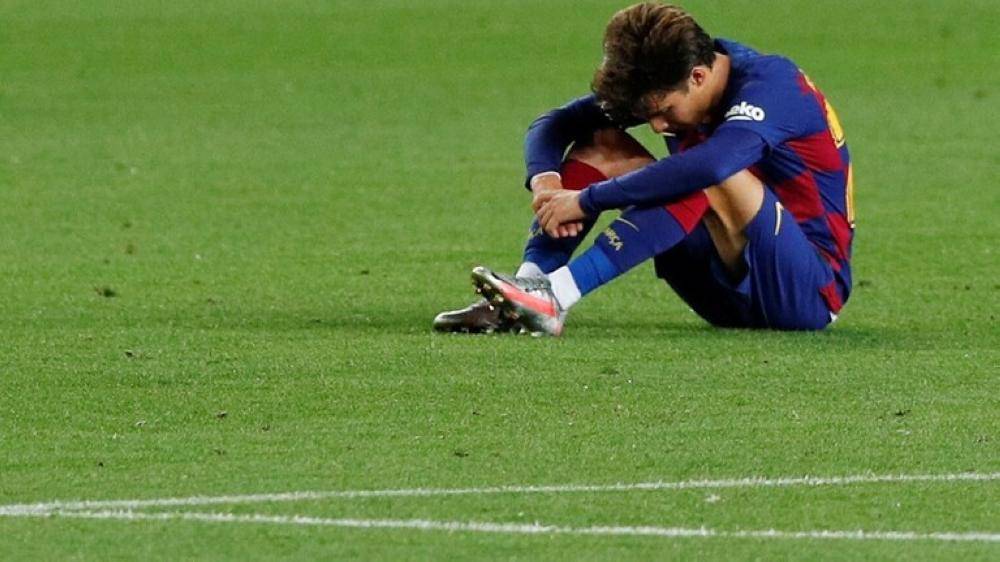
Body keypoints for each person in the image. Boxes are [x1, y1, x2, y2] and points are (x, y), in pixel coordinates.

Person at [433, 2, 855, 336]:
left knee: (708, 172)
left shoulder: (775, 86)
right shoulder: (674, 81)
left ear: (698, 76)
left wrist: (587, 200)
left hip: (806, 294)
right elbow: (555, 123)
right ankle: (523, 293)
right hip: (718, 290)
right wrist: (546, 182)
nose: (657, 126)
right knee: (602, 142)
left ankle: (557, 296)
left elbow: (711, 165)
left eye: (664, 111)